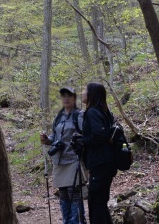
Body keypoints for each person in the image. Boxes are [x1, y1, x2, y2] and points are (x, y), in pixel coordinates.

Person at [41, 87, 87, 224]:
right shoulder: (58, 117)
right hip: (59, 161)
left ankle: (78, 221)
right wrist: (46, 140)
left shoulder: (79, 115)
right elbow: (53, 137)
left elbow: (85, 135)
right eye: (63, 96)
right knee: (63, 195)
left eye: (69, 96)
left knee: (74, 194)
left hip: (74, 160)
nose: (66, 98)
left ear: (74, 98)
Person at [77, 82, 116, 224]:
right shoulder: (105, 112)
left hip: (100, 163)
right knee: (100, 201)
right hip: (107, 163)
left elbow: (98, 136)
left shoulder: (93, 112)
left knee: (95, 202)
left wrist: (82, 141)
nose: (82, 93)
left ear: (91, 94)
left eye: (85, 90)